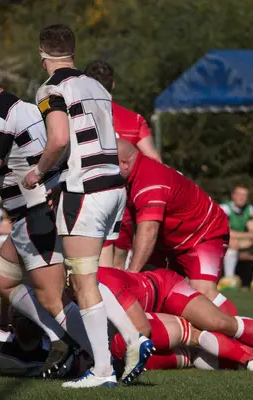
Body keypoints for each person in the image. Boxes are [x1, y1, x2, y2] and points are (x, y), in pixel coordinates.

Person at [0, 59, 149, 386]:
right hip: (54, 205)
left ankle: (93, 353)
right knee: (2, 280)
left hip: (34, 214)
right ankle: (87, 342)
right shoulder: (26, 106)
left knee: (55, 296)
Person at [21, 24, 152, 388]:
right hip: (114, 188)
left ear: (42, 54)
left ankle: (103, 370)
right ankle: (133, 338)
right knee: (88, 276)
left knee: (80, 280)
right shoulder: (97, 86)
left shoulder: (51, 88)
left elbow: (60, 138)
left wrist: (38, 171)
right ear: (73, 52)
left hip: (85, 190)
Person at [97, 266, 253, 370]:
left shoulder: (100, 280)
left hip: (165, 288)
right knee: (124, 352)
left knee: (219, 322)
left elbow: (140, 328)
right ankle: (245, 361)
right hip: (145, 313)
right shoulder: (70, 293)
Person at [116, 139, 238, 316]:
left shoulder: (150, 181)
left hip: (204, 233)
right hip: (170, 240)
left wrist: (133, 273)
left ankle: (238, 332)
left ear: (125, 164)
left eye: (107, 166)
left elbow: (148, 229)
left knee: (203, 291)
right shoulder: (133, 176)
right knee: (154, 287)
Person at [84, 59, 161, 269]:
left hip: (85, 201)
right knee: (117, 270)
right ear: (113, 85)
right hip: (122, 203)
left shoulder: (77, 118)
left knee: (84, 270)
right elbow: (154, 162)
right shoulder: (134, 119)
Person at [219, 184, 253, 287]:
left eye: (244, 195)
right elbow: (225, 232)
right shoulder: (225, 208)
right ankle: (228, 280)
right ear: (233, 195)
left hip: (238, 241)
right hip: (218, 241)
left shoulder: (249, 209)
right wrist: (246, 236)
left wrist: (243, 237)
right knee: (232, 243)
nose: (241, 198)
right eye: (239, 194)